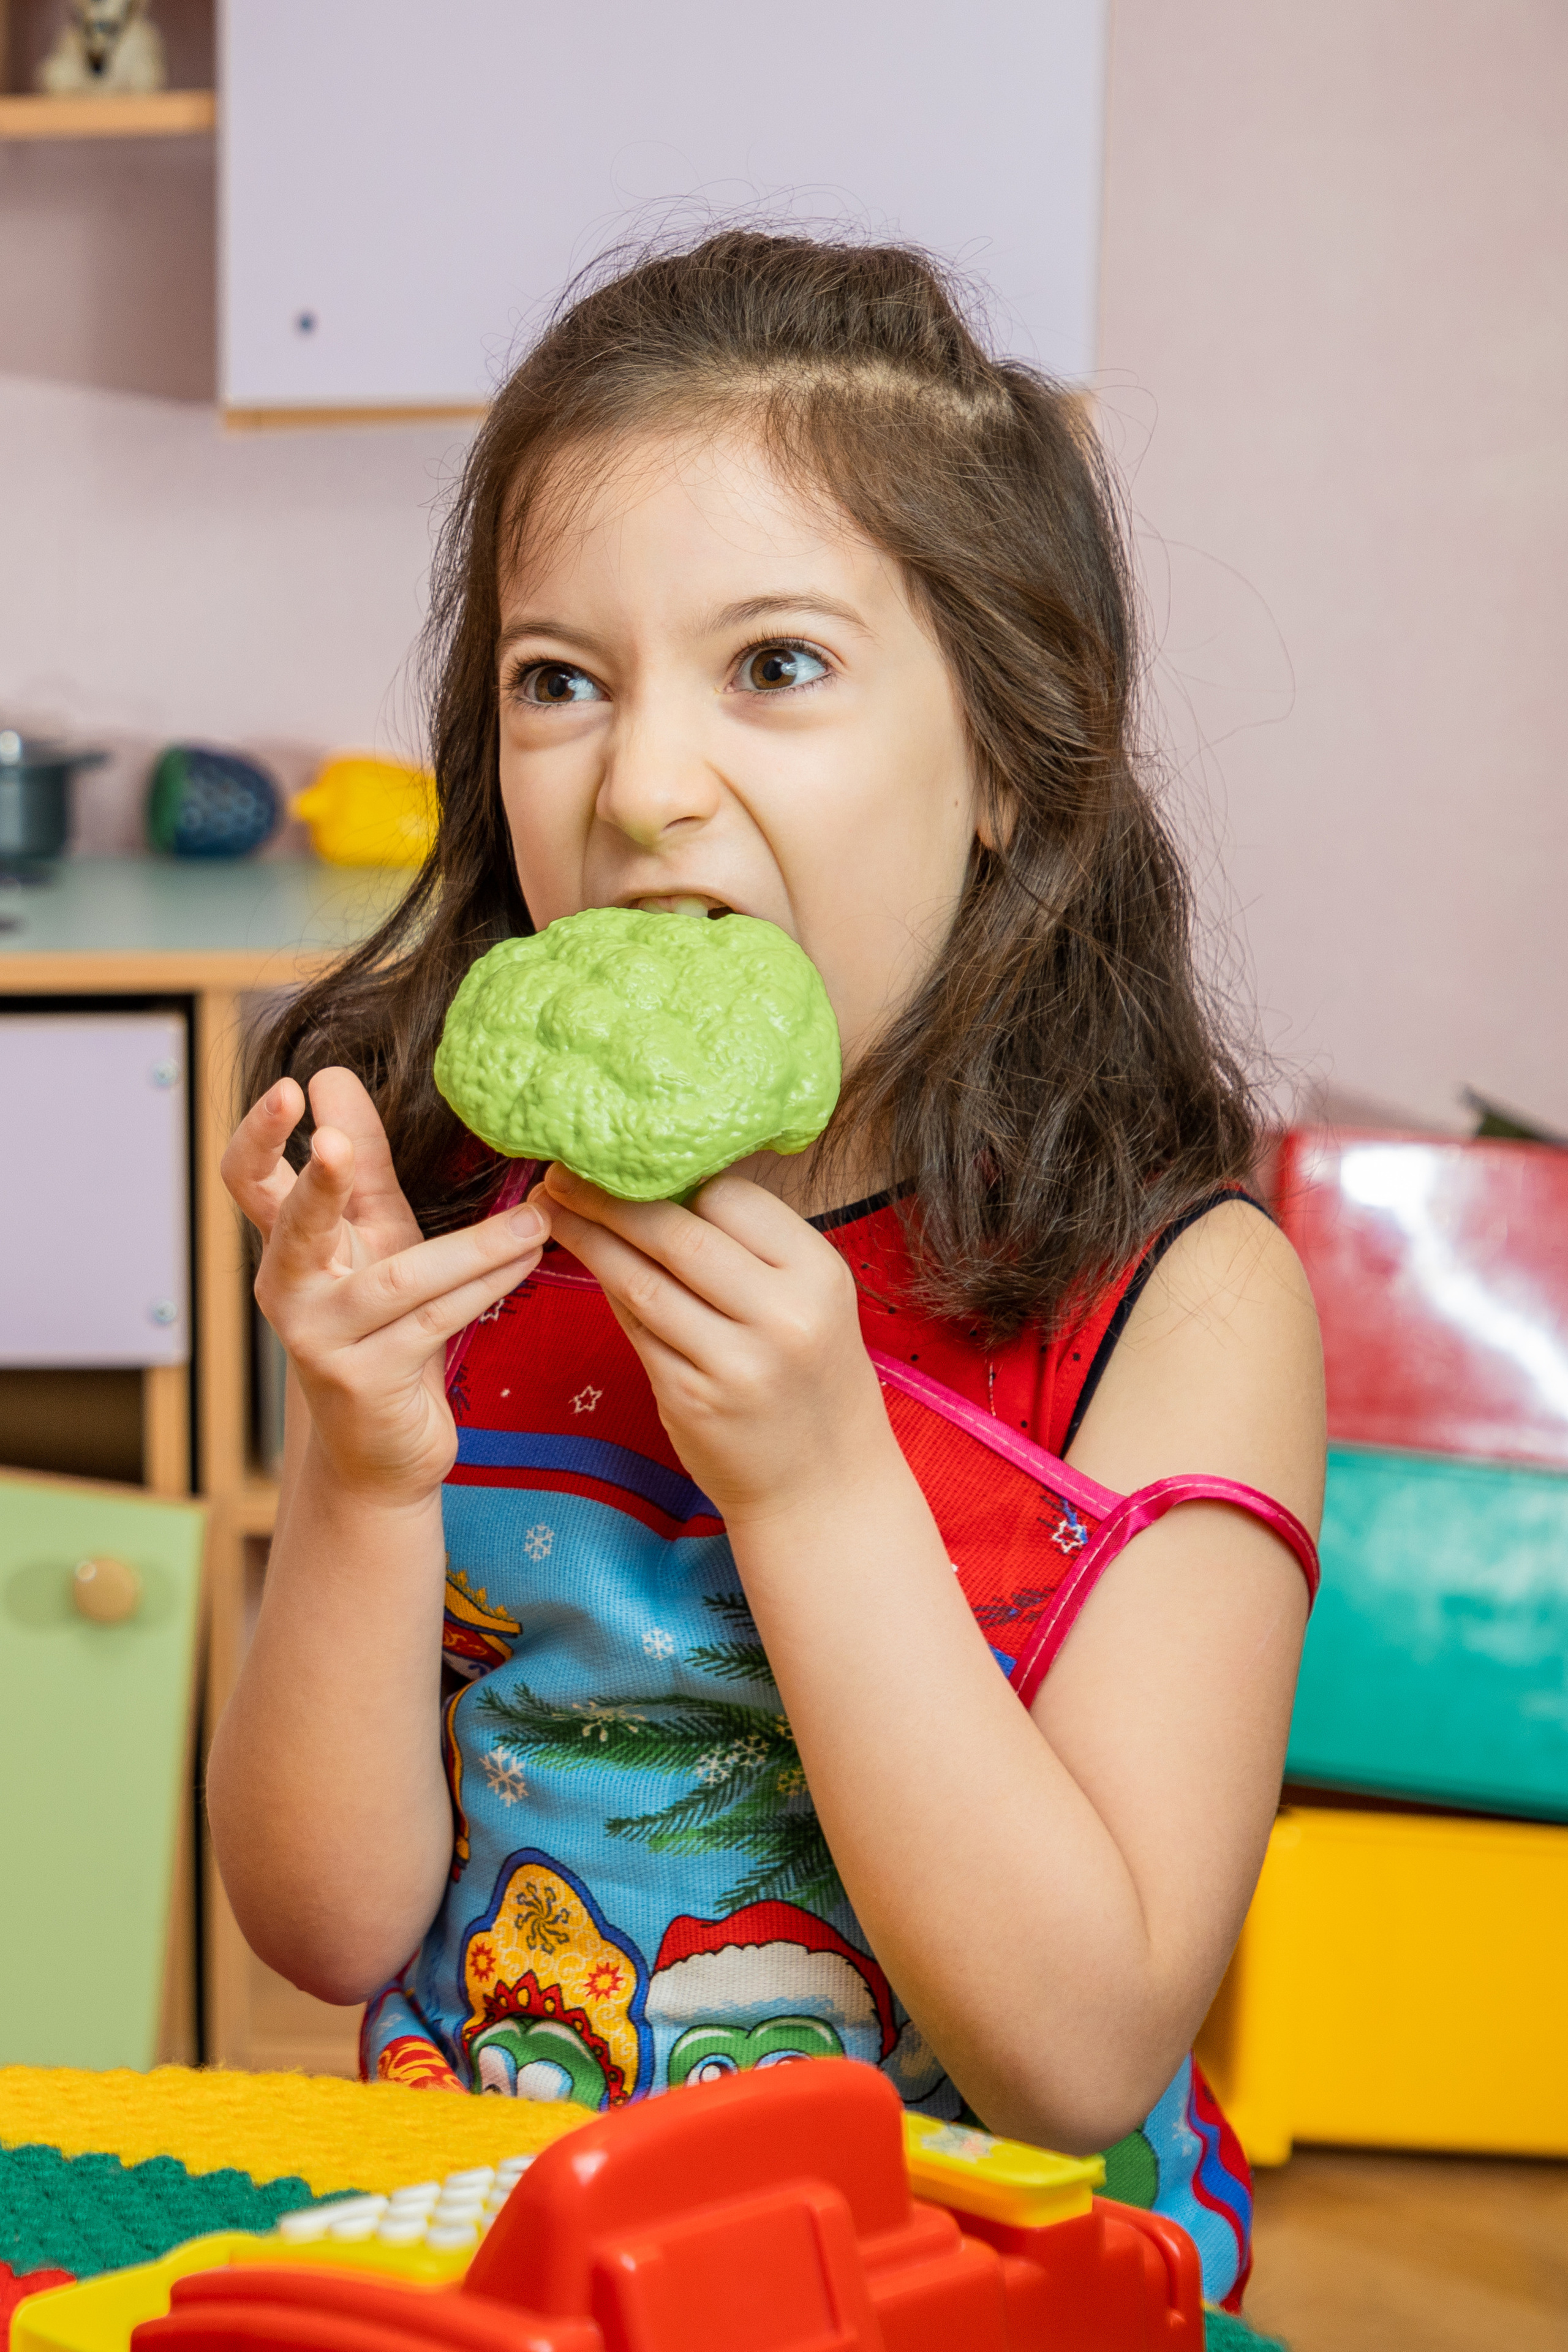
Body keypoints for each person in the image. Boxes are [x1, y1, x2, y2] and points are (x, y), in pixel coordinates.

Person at [211, 230, 1324, 2310]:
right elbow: (323, 1924)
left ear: (1016, 751)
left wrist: (814, 1480)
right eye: (562, 681)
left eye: (778, 666)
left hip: (981, 2290)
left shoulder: (1176, 1295)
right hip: (502, 2257)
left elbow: (1083, 2049)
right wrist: (360, 1474)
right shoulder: (467, 1222)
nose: (643, 788)